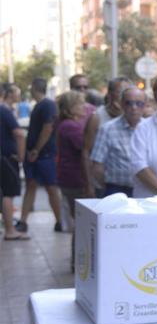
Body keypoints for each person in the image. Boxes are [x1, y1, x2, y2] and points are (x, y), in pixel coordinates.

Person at [16, 78, 62, 233]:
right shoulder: (41, 106)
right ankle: (23, 221)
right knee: (31, 186)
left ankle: (60, 221)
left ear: (34, 88)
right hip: (37, 154)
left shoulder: (47, 105)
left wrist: (36, 149)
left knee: (51, 187)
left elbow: (48, 128)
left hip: (44, 155)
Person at [91, 87, 147, 197]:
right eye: (128, 103)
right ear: (121, 104)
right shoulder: (107, 129)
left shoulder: (151, 129)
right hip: (116, 190)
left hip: (146, 189)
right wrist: (107, 186)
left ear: (145, 105)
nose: (134, 107)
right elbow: (97, 165)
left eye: (139, 103)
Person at [55, 90, 89, 271]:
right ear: (70, 108)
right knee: (82, 222)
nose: (84, 107)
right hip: (75, 178)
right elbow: (85, 146)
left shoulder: (67, 124)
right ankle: (78, 263)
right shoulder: (71, 127)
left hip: (69, 177)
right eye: (80, 104)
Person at [82, 76, 131, 197]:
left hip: (130, 184)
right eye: (120, 92)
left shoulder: (133, 116)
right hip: (104, 186)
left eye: (127, 92)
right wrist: (89, 185)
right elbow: (86, 152)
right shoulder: (97, 117)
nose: (123, 96)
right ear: (110, 94)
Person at [0, 85, 27, 240]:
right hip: (7, 158)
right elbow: (19, 134)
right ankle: (10, 230)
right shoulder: (4, 111)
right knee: (8, 193)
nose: (19, 95)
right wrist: (21, 156)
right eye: (17, 93)